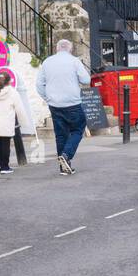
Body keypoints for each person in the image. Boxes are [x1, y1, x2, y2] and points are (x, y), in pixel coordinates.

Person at [36, 39, 91, 175]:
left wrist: (48, 98)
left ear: (57, 49)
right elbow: (86, 80)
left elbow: (39, 85)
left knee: (61, 135)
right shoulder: (74, 61)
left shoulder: (47, 62)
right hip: (72, 103)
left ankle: (64, 168)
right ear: (70, 49)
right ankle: (66, 155)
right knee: (78, 130)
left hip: (55, 104)